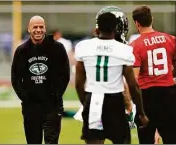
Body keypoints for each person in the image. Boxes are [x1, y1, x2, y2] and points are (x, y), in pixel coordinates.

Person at [74, 9, 149, 144]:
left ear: (97, 27)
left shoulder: (83, 47)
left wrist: (85, 104)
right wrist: (141, 112)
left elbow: (79, 83)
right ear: (116, 27)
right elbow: (133, 85)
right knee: (122, 140)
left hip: (93, 100)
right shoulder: (124, 50)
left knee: (94, 141)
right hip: (114, 100)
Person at [11, 15, 70, 144]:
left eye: (41, 27)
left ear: (45, 28)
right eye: (35, 27)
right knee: (33, 141)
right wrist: (25, 97)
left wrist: (57, 95)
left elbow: (65, 75)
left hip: (52, 106)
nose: (38, 30)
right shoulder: (22, 51)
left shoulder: (57, 48)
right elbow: (15, 77)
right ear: (29, 29)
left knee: (52, 141)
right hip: (31, 107)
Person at [130, 5, 176, 144]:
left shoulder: (135, 45)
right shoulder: (170, 39)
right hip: (169, 94)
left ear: (136, 23)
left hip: (147, 96)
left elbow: (134, 78)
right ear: (152, 19)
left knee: (146, 140)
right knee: (172, 138)